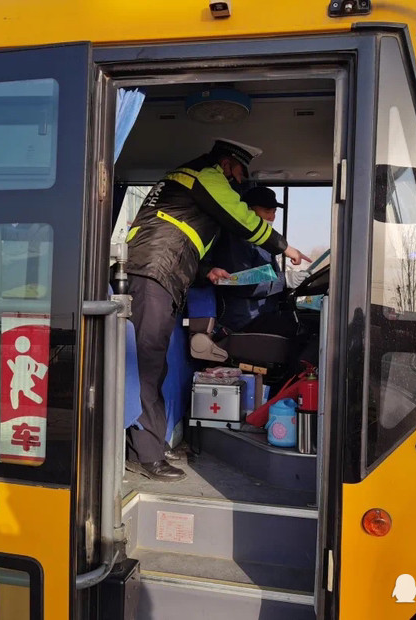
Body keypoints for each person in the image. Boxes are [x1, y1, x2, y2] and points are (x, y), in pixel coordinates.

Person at [124, 139, 309, 482]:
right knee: (147, 366)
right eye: (240, 173)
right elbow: (240, 217)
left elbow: (183, 239)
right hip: (152, 273)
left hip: (160, 272)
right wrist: (284, 246)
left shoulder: (192, 184)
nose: (240, 182)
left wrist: (204, 271)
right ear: (226, 164)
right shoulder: (206, 176)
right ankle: (144, 455)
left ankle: (150, 444)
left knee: (154, 366)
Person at [210, 186, 309, 336]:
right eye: (267, 211)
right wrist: (284, 280)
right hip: (242, 319)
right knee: (304, 331)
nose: (272, 217)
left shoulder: (262, 243)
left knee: (308, 319)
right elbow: (239, 281)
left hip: (262, 312)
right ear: (248, 211)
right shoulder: (235, 240)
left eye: (274, 212)